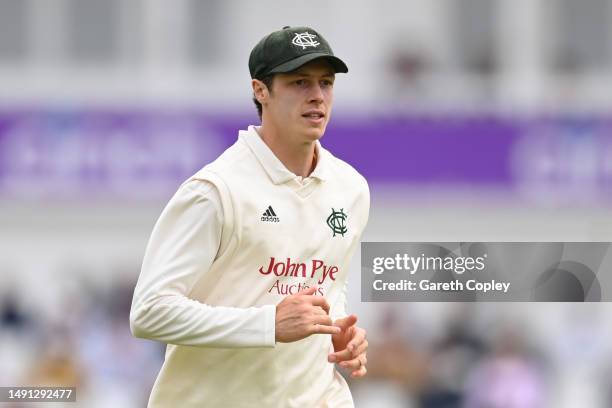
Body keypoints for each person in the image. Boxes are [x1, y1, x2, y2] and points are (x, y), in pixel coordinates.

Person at [130, 25, 370, 407]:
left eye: (326, 83)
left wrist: (336, 329)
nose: (317, 97)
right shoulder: (215, 190)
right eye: (299, 83)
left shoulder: (351, 188)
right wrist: (267, 325)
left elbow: (328, 282)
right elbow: (149, 312)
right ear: (261, 91)